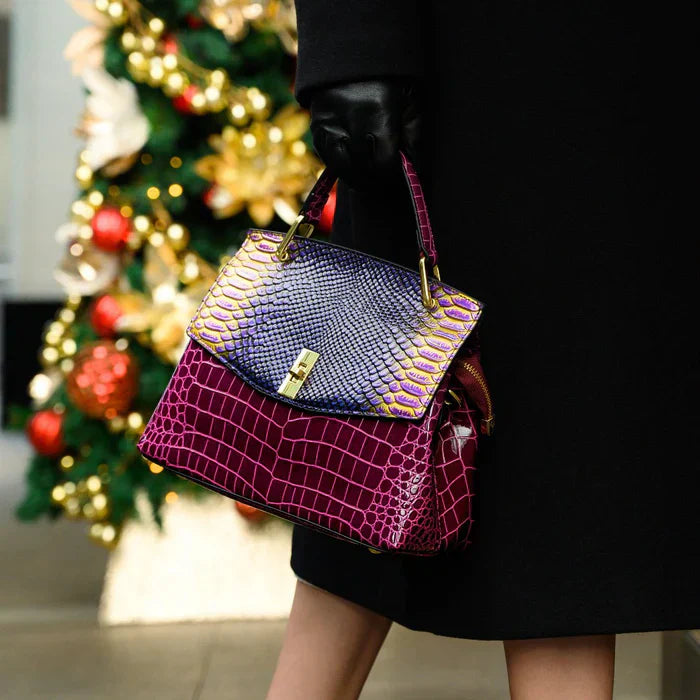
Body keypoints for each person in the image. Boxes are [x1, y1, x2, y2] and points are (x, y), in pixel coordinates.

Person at [267, 3, 700, 698]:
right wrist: (351, 46)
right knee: (368, 474)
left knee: (574, 485)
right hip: (458, 71)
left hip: (636, 89)